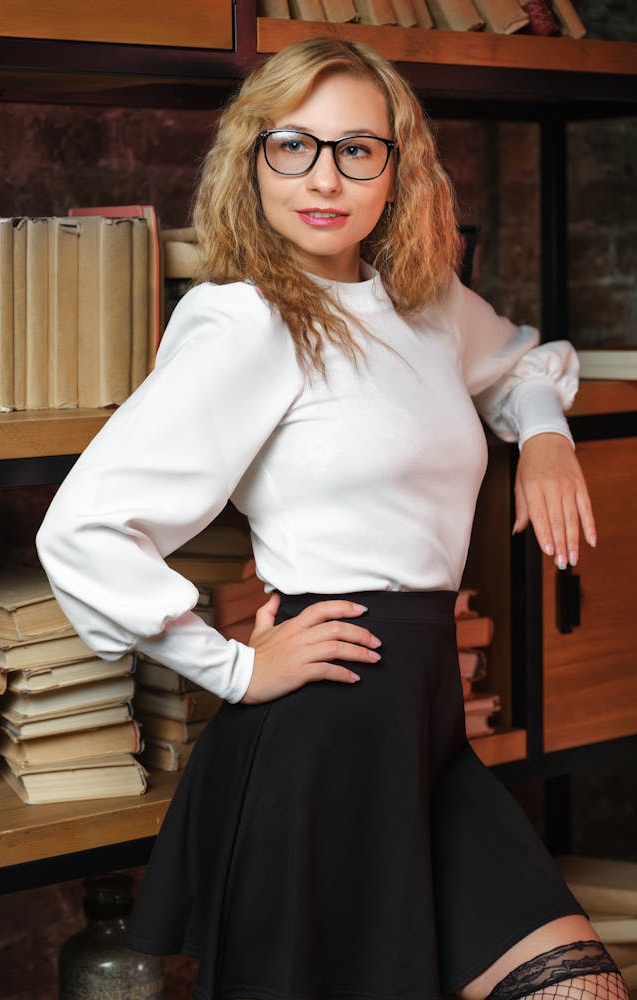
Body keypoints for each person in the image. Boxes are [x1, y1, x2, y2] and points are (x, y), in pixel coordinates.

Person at [36, 37, 628, 1000]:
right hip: (327, 726)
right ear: (252, 158)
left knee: (585, 989)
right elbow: (86, 528)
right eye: (294, 147)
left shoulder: (427, 305)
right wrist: (233, 667)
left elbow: (521, 362)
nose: (326, 176)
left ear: (399, 168)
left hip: (430, 733)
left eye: (358, 149)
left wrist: (549, 434)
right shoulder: (247, 322)